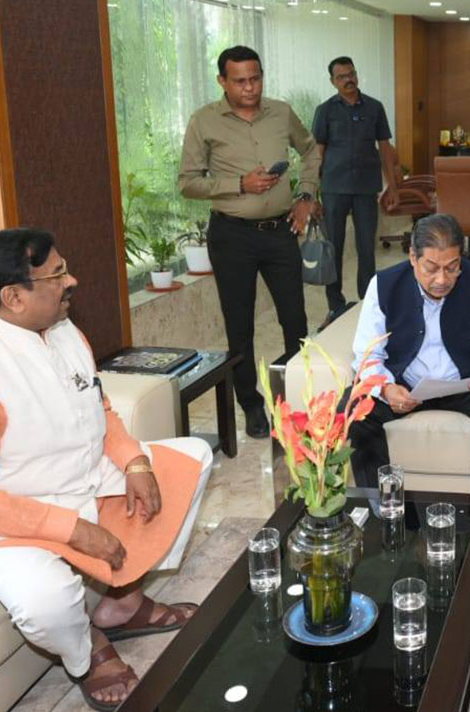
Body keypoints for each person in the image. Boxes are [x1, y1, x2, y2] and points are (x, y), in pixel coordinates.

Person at [0, 229, 214, 711]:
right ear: (13, 297)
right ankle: (87, 652)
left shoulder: (64, 331)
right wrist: (75, 531)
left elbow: (98, 409)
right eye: (57, 274)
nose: (72, 281)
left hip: (75, 478)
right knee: (48, 600)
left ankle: (121, 605)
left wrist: (134, 461)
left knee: (194, 457)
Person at [178, 45, 322, 439]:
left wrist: (306, 195)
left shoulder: (281, 112)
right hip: (231, 236)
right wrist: (238, 183)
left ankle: (296, 398)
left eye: (255, 78)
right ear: (222, 81)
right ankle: (252, 405)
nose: (250, 88)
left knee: (295, 319)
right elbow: (187, 182)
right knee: (239, 325)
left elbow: (310, 150)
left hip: (280, 232)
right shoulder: (204, 121)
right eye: (240, 81)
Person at [346, 213, 470, 495]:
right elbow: (367, 354)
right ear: (413, 257)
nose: (442, 279)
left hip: (465, 385)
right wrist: (387, 388)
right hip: (404, 385)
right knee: (355, 405)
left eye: (452, 268)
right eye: (432, 268)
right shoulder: (384, 285)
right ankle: (382, 508)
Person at [312, 56, 400, 331]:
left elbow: (385, 149)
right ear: (333, 81)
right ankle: (335, 305)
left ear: (357, 75)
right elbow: (318, 152)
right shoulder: (325, 111)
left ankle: (367, 304)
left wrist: (392, 186)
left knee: (366, 249)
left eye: (351, 74)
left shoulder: (374, 107)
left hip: (365, 188)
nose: (348, 80)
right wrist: (312, 193)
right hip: (333, 188)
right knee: (333, 249)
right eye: (341, 77)